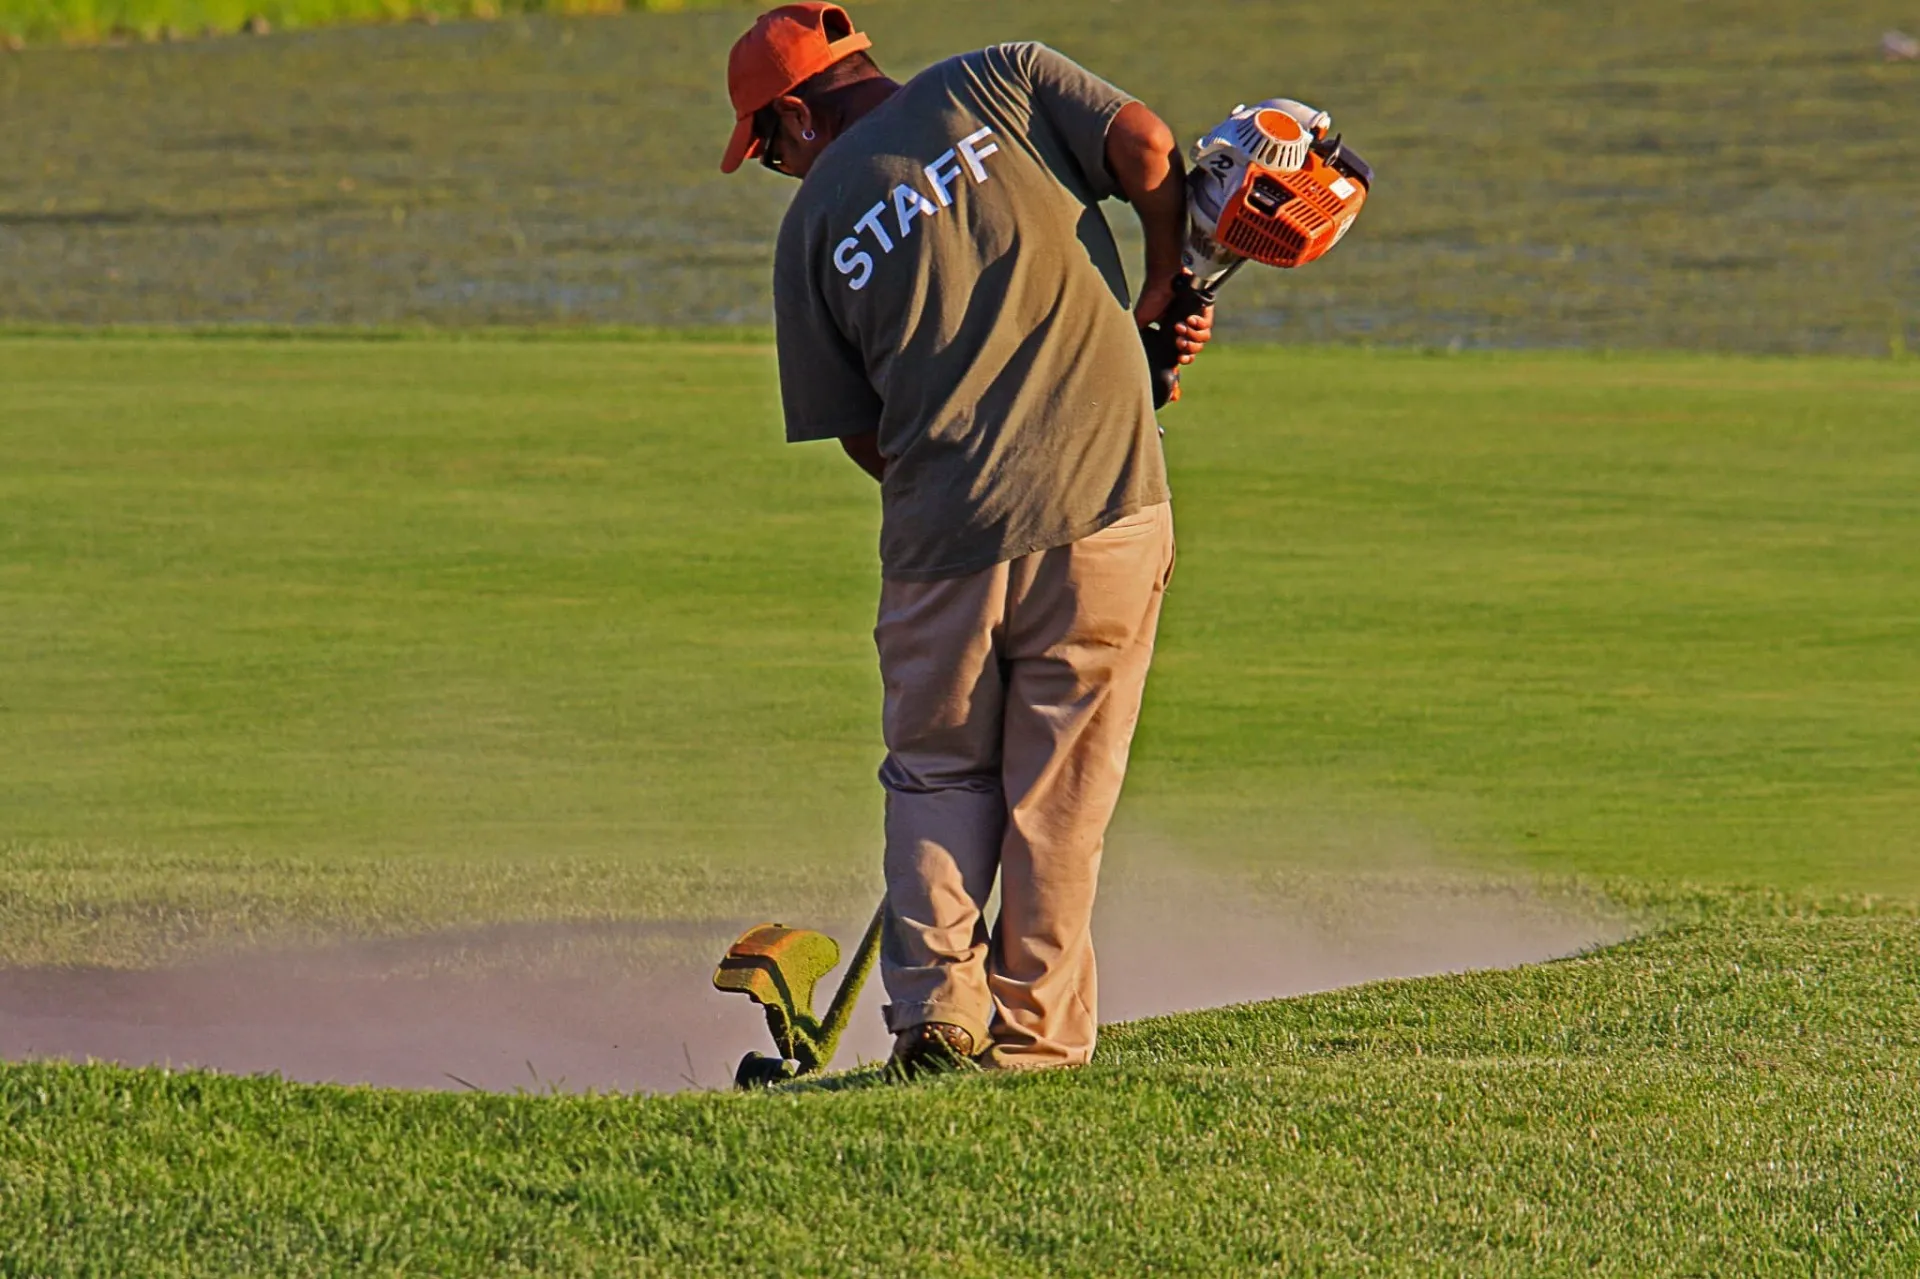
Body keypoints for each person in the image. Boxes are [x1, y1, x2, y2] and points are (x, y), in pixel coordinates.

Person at [720, 3, 1212, 1075]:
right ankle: (1032, 1040)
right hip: (1108, 503)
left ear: (796, 115)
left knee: (938, 776)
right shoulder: (1004, 76)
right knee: (1058, 796)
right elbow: (1147, 147)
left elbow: (862, 436)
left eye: (764, 149)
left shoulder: (809, 233)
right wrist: (1158, 280)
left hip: (944, 540)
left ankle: (938, 1011)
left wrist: (964, 482)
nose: (776, 172)